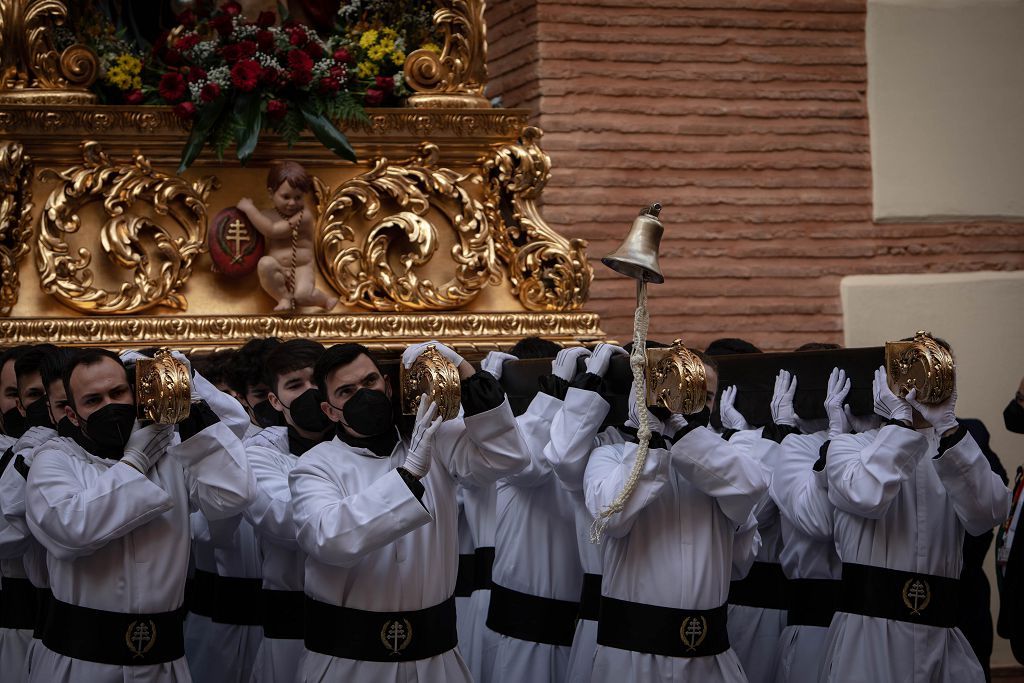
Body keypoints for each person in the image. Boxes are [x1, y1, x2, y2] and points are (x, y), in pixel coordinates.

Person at [288, 341, 529, 682]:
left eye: (369, 382)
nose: (363, 394)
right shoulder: (315, 466)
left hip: (435, 661)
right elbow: (330, 538)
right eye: (346, 391)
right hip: (348, 663)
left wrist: (466, 373)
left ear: (387, 385)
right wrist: (409, 474)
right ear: (330, 410)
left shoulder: (435, 439)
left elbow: (508, 458)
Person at [25, 348, 254, 682]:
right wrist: (134, 462)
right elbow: (70, 530)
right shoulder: (55, 460)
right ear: (73, 415)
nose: (110, 406)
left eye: (118, 393)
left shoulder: (169, 454)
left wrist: (183, 389)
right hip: (80, 664)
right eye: (93, 400)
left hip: (163, 664)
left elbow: (233, 495)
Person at [583, 353, 768, 682]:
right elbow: (610, 515)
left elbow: (751, 494)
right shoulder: (609, 455)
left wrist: (684, 434)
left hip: (709, 660)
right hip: (632, 661)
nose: (688, 402)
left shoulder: (723, 464)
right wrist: (651, 439)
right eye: (677, 389)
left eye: (705, 395)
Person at [819, 363, 1009, 682]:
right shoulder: (849, 446)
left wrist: (947, 427)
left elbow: (989, 513)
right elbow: (867, 495)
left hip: (942, 633)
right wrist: (899, 425)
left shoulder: (952, 449)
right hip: (868, 634)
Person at [478, 339, 586, 683]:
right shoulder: (512, 444)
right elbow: (527, 463)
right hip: (523, 635)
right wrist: (553, 395)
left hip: (580, 630)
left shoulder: (579, 438)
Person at [245, 339, 334, 683]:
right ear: (275, 401)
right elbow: (284, 521)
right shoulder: (260, 455)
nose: (309, 392)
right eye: (295, 385)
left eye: (316, 381)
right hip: (291, 621)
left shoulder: (368, 446)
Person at [236, 160, 338, 312]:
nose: (292, 203)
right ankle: (283, 297)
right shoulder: (265, 216)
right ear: (271, 194)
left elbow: (273, 231)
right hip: (278, 269)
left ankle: (324, 300)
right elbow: (248, 239)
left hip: (301, 267)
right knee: (265, 264)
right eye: (286, 197)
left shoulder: (304, 216)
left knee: (302, 295)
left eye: (298, 197)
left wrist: (250, 209)